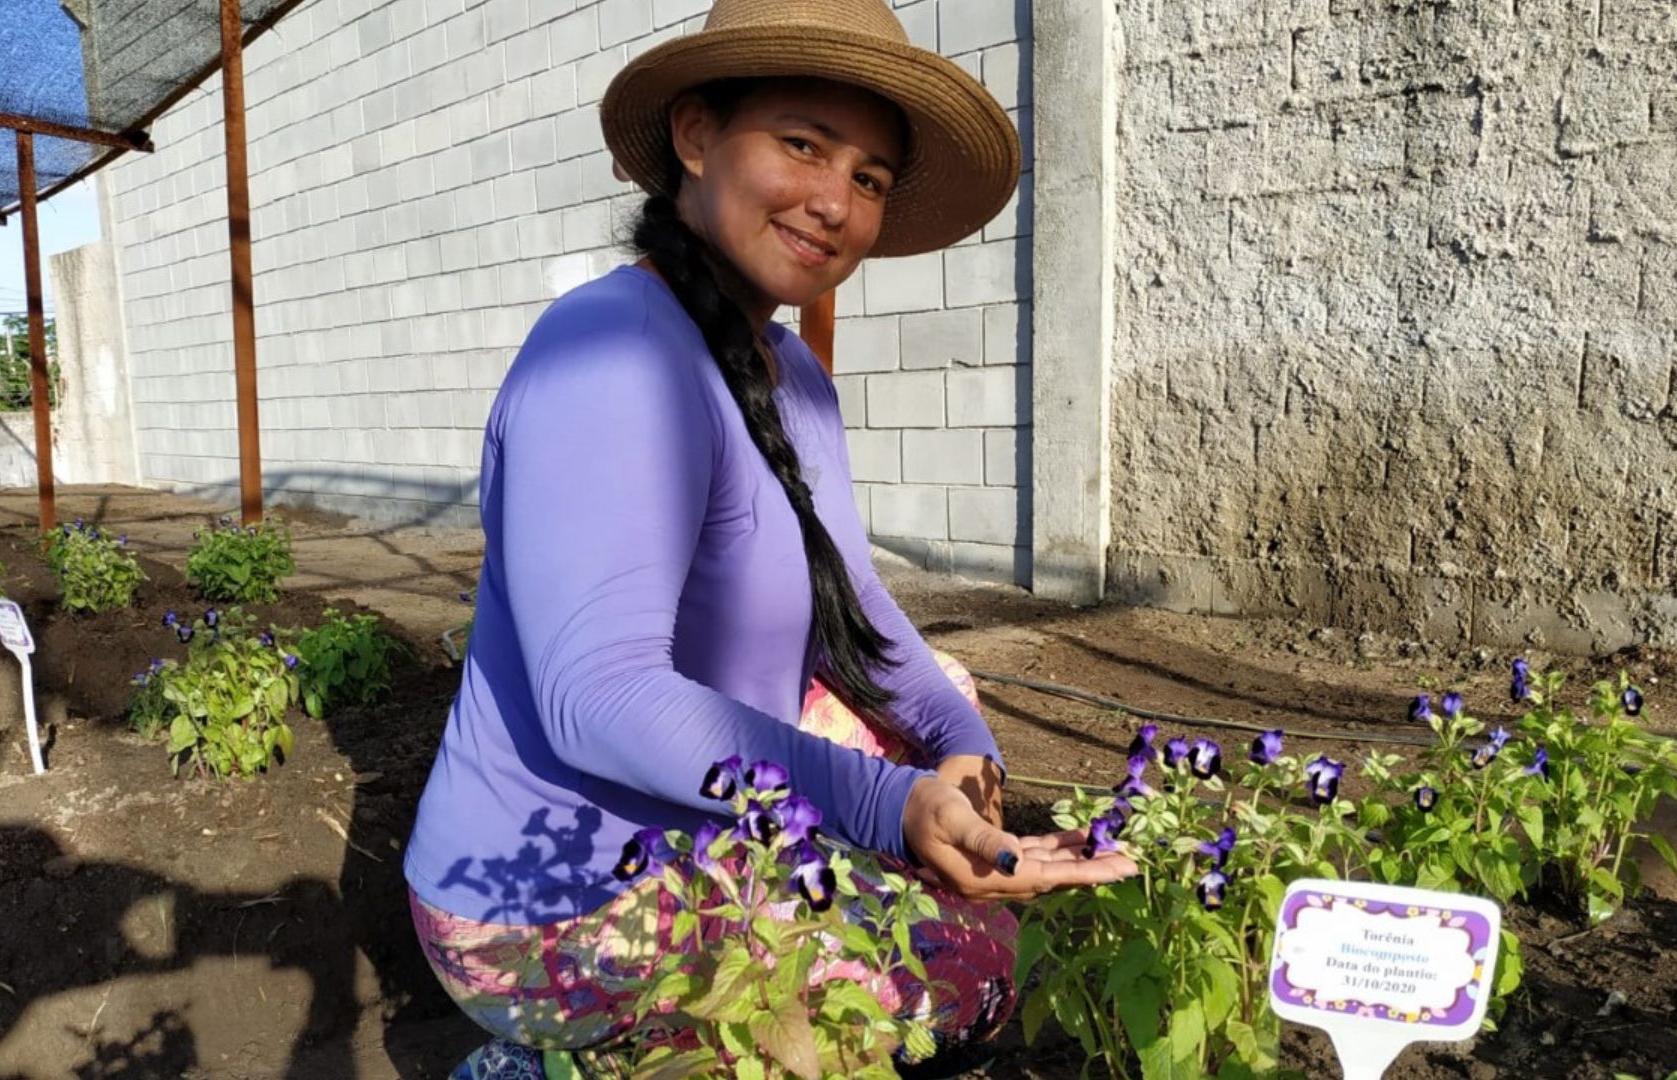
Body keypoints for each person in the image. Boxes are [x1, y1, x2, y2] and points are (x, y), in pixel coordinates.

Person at [402, 1, 1138, 1076]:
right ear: (697, 136)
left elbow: (858, 614)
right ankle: (558, 1057)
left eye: (872, 178)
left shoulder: (791, 376)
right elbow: (597, 694)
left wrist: (963, 760)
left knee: (948, 699)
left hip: (699, 822)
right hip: (548, 896)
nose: (835, 202)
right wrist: (889, 806)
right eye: (803, 144)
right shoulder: (611, 354)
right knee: (954, 982)